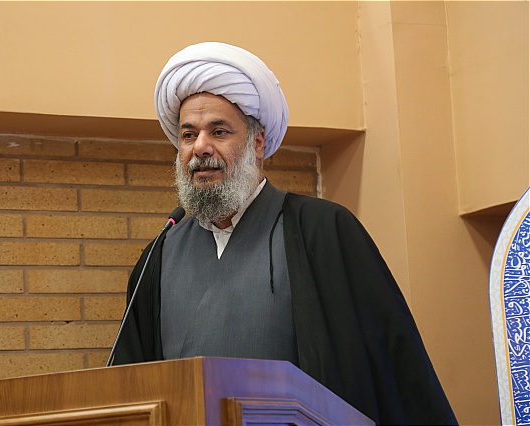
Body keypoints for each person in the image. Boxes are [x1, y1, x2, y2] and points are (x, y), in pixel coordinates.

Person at [112, 42, 457, 425]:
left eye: (219, 131)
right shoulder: (160, 255)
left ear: (258, 143)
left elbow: (394, 371)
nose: (201, 148)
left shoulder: (321, 231)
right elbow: (131, 387)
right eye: (189, 135)